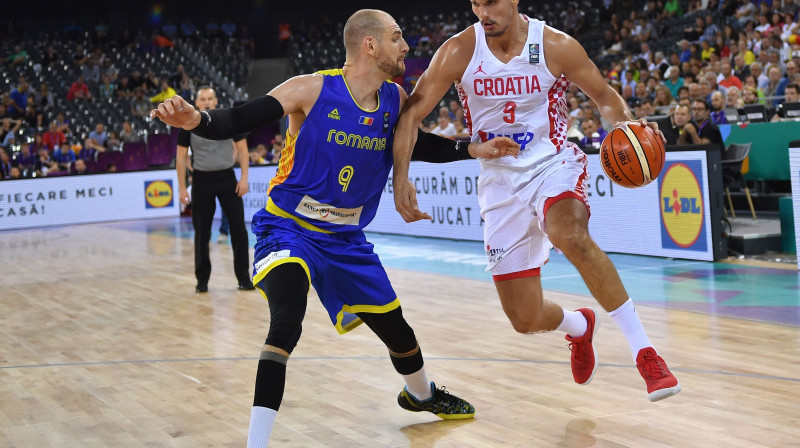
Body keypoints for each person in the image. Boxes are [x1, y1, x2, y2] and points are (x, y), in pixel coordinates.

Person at [152, 9, 518, 447]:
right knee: (287, 321)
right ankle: (257, 442)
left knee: (397, 329)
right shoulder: (311, 88)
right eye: (396, 37)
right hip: (288, 228)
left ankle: (421, 395)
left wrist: (472, 148)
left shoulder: (395, 100)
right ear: (369, 44)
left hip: (345, 239)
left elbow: (416, 143)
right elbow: (238, 120)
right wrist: (195, 120)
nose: (406, 46)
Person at [392, 0, 681, 403]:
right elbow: (410, 116)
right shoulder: (459, 50)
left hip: (551, 163)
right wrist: (401, 175)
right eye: (476, 3)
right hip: (498, 178)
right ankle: (579, 326)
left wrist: (628, 127)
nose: (483, 12)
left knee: (570, 233)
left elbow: (604, 96)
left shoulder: (555, 45)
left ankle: (646, 354)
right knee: (524, 319)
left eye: (491, 2)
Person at [175, 86, 253, 293]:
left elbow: (244, 152)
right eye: (203, 99)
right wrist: (182, 187)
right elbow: (181, 157)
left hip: (227, 177)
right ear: (197, 102)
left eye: (210, 98)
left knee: (238, 229)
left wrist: (244, 179)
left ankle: (244, 278)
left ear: (216, 101)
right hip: (201, 181)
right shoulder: (187, 125)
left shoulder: (229, 119)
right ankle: (202, 281)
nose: (207, 102)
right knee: (202, 232)